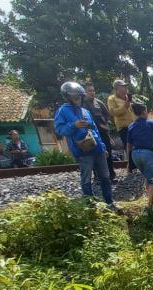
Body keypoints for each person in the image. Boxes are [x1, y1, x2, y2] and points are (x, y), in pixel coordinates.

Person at [54, 81, 118, 211]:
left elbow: (94, 130)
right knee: (86, 178)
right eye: (75, 96)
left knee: (105, 176)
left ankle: (110, 202)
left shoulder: (85, 111)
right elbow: (59, 130)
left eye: (80, 96)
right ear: (67, 97)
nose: (78, 99)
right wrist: (73, 126)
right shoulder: (62, 111)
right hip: (82, 151)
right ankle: (90, 206)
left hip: (97, 149)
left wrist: (103, 147)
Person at [83, 83, 116, 181]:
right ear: (85, 92)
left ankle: (111, 174)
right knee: (93, 154)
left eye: (93, 90)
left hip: (103, 132)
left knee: (108, 153)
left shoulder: (99, 102)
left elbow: (108, 115)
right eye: (89, 91)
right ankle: (97, 176)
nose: (92, 92)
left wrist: (104, 123)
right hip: (90, 133)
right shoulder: (82, 104)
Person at [107, 79, 136, 172]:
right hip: (124, 126)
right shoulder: (112, 99)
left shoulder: (129, 97)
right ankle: (131, 167)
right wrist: (125, 106)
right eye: (123, 86)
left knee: (137, 144)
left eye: (125, 86)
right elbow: (113, 112)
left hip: (134, 125)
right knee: (128, 145)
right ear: (117, 88)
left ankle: (136, 164)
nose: (125, 88)